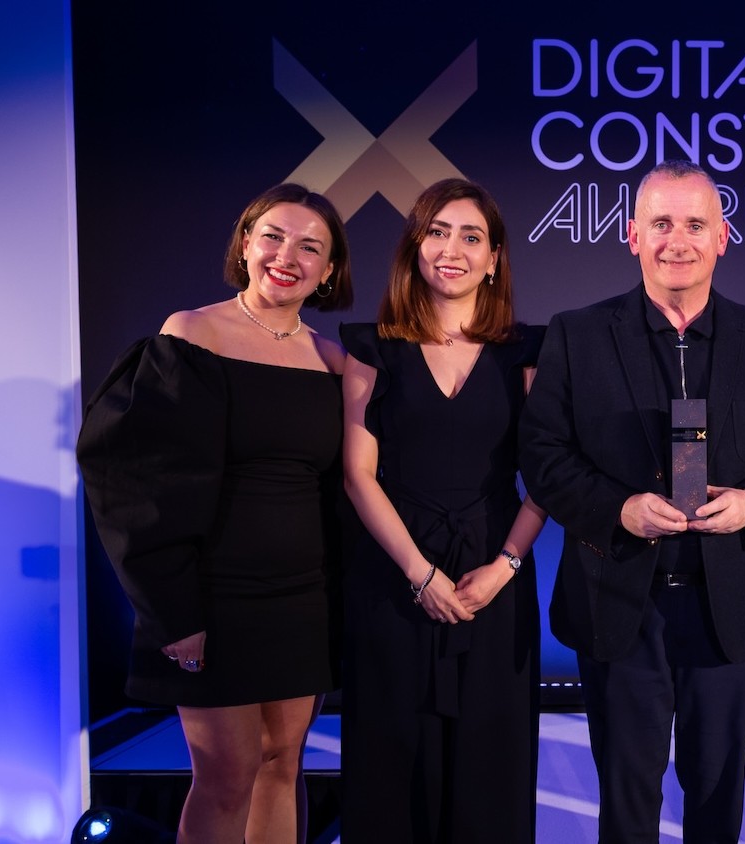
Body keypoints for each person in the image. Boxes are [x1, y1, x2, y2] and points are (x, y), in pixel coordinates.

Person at [518, 160, 745, 844]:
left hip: (728, 607)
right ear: (631, 235)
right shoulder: (577, 333)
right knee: (628, 803)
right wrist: (617, 509)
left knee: (718, 800)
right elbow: (542, 452)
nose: (675, 241)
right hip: (622, 603)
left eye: (694, 224)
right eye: (659, 223)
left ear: (723, 238)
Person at [76, 183, 353, 843]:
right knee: (227, 775)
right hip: (210, 599)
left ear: (329, 270)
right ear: (246, 244)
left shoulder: (333, 359)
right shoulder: (191, 334)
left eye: (310, 247)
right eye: (274, 237)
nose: (288, 256)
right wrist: (175, 614)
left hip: (300, 602)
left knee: (282, 766)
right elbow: (142, 482)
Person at [339, 178, 546, 842]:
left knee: (493, 769)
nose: (451, 249)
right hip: (394, 581)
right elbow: (357, 473)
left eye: (470, 236)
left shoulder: (529, 352)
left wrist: (504, 567)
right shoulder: (372, 348)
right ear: (413, 247)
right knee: (392, 766)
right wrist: (419, 573)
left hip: (495, 580)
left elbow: (548, 475)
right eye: (436, 231)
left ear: (493, 259)